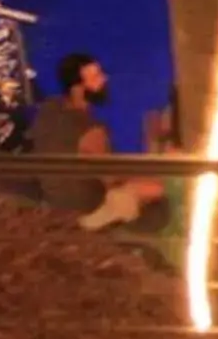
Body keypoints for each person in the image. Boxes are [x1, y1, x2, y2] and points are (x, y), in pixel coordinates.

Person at [28, 52, 167, 230]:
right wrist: (152, 149)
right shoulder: (91, 131)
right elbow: (112, 179)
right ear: (78, 88)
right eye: (95, 77)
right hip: (82, 202)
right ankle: (93, 222)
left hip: (51, 193)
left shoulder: (49, 108)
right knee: (155, 187)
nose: (103, 80)